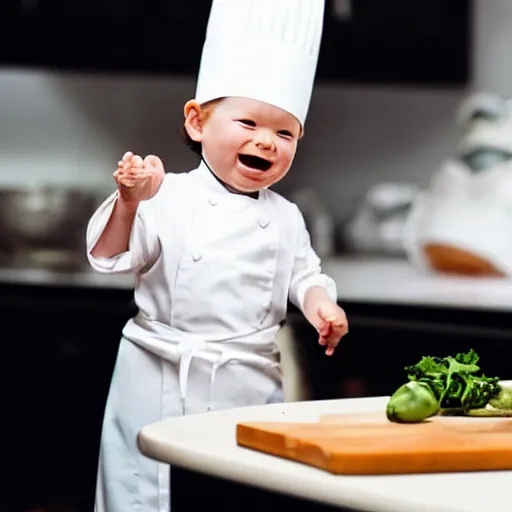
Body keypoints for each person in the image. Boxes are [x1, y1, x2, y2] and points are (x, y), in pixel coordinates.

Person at [86, 1, 348, 510]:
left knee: (239, 492)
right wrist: (129, 200)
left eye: (284, 132)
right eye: (248, 122)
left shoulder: (288, 216)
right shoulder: (168, 194)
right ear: (197, 121)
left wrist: (321, 307)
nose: (266, 142)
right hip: (159, 375)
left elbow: (305, 276)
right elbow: (112, 254)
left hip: (248, 383)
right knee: (144, 493)